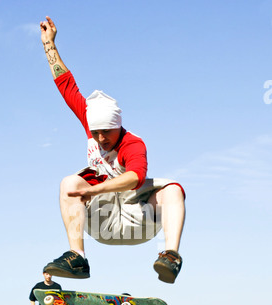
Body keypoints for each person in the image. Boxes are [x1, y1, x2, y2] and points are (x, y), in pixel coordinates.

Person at [40, 16, 186, 284]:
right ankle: (77, 258)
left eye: (106, 132)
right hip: (103, 220)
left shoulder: (133, 144)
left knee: (173, 189)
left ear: (118, 125)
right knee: (70, 182)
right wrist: (49, 45)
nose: (100, 138)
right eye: (95, 133)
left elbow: (135, 177)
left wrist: (94, 189)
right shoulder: (93, 126)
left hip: (138, 219)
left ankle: (170, 256)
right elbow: (65, 84)